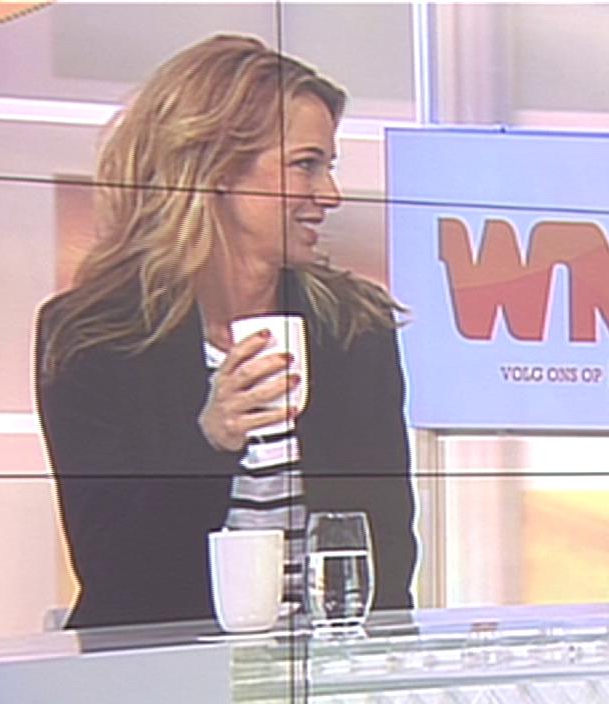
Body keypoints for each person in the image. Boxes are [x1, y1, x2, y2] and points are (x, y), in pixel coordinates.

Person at [36, 34, 417, 629]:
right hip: (161, 670)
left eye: (328, 167)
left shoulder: (353, 330)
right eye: (305, 165)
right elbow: (112, 568)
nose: (330, 195)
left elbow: (388, 560)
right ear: (216, 168)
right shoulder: (93, 337)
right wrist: (210, 440)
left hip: (320, 669)